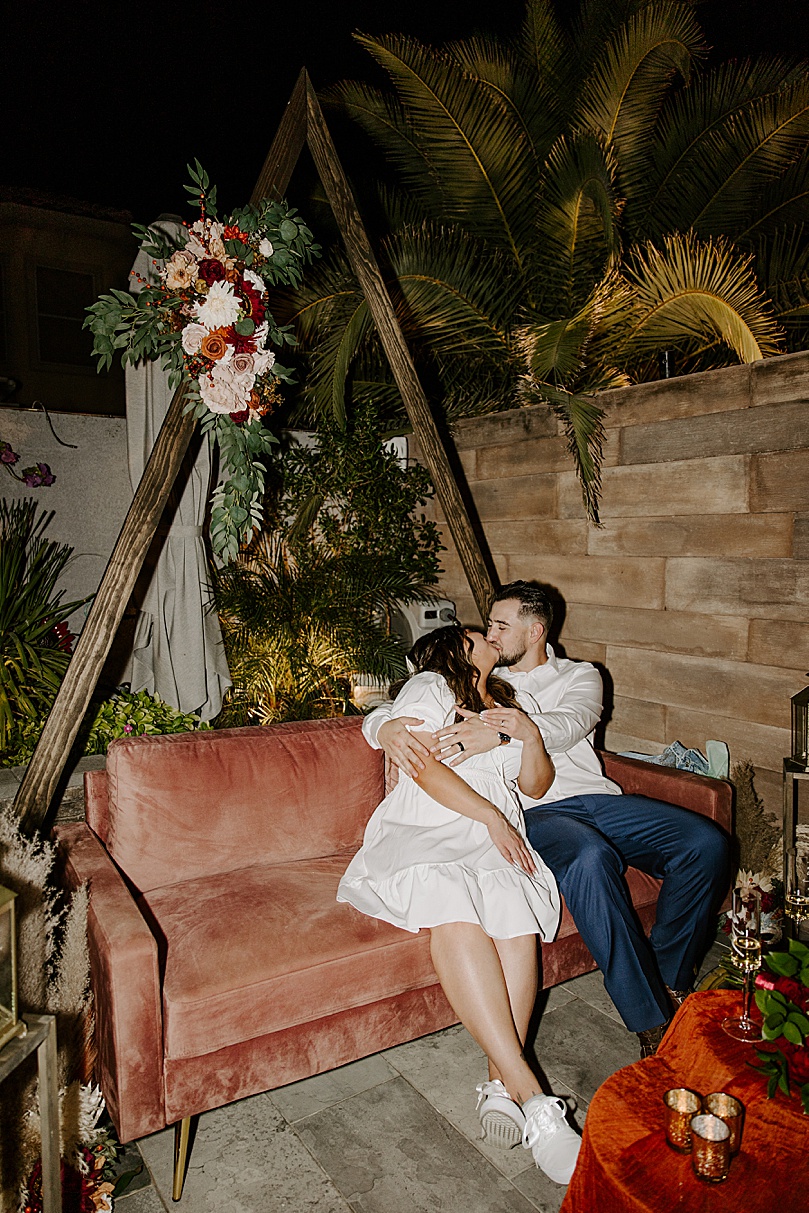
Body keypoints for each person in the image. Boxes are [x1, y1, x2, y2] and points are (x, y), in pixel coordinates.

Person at [363, 582, 730, 1062]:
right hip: (533, 810)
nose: (489, 634)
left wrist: (507, 732)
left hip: (594, 798)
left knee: (705, 842)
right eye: (487, 627)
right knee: (589, 858)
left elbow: (569, 725)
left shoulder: (580, 676)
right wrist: (381, 724)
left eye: (500, 626)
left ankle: (668, 978)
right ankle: (652, 1022)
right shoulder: (485, 684)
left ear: (535, 631)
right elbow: (415, 698)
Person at [339, 625, 582, 1185]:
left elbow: (537, 786)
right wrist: (492, 817)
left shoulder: (508, 703)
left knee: (516, 919)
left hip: (495, 832)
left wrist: (530, 739)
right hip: (433, 824)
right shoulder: (431, 685)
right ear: (454, 650)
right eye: (476, 633)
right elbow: (421, 767)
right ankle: (536, 1103)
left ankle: (500, 1084)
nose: (487, 634)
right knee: (456, 906)